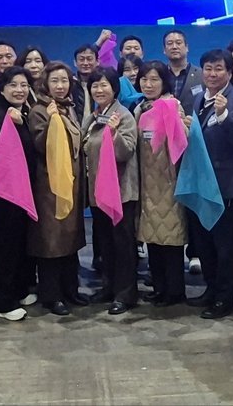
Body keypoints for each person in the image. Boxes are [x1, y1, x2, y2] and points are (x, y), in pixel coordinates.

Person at [188, 50, 233, 319]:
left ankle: (225, 299)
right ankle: (211, 289)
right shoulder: (198, 98)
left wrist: (224, 115)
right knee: (204, 243)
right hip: (200, 183)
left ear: (228, 72)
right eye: (208, 68)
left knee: (225, 247)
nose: (212, 74)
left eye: (218, 69)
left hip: (224, 185)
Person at [27, 62, 86, 315]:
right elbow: (41, 146)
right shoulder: (40, 110)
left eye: (64, 80)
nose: (60, 86)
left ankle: (71, 290)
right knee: (51, 243)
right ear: (45, 84)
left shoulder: (68, 107)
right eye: (55, 81)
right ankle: (51, 296)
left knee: (69, 239)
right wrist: (52, 121)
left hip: (71, 184)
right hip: (48, 187)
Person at [81, 67, 140, 315]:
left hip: (120, 192)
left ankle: (125, 294)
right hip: (99, 192)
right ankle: (109, 287)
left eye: (104, 84)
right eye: (95, 85)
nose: (99, 89)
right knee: (105, 243)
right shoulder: (94, 116)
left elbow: (126, 151)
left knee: (123, 245)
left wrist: (114, 134)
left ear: (114, 88)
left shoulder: (123, 116)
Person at [0, 67, 38, 322]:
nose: (19, 90)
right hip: (4, 195)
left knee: (18, 244)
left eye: (24, 85)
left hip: (20, 192)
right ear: (2, 89)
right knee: (4, 247)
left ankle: (18, 290)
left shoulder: (19, 113)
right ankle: (2, 302)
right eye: (13, 85)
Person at [133, 61, 190, 308]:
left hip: (168, 184)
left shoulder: (171, 106)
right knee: (153, 240)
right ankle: (159, 288)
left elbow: (182, 144)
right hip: (146, 185)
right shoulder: (139, 108)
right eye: (144, 79)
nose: (148, 84)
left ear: (164, 82)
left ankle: (174, 291)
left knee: (171, 241)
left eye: (154, 79)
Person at [163, 30, 202, 114]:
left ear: (187, 47)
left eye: (178, 43)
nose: (174, 47)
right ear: (164, 50)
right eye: (170, 43)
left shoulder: (201, 75)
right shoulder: (160, 74)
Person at [71, 44, 99, 121]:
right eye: (81, 59)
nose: (85, 63)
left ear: (97, 61)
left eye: (89, 59)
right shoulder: (70, 84)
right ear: (75, 63)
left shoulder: (102, 85)